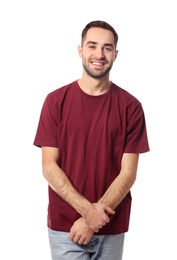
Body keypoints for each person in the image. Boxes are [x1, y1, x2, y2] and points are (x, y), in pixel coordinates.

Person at [33, 20, 150, 260]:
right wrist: (88, 213)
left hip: (112, 228)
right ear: (80, 51)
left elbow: (128, 173)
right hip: (66, 229)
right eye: (92, 46)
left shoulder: (131, 107)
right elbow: (48, 166)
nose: (99, 54)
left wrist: (94, 220)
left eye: (107, 48)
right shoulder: (55, 102)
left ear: (115, 54)